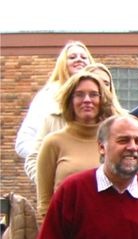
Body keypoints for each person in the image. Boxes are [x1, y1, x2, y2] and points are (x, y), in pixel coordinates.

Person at [35, 69, 116, 217]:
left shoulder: (114, 141)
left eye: (93, 94)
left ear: (102, 100)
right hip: (66, 227)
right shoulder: (53, 143)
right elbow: (45, 204)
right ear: (70, 100)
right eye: (79, 94)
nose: (87, 100)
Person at [29, 62, 126, 182]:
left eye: (105, 84)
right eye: (80, 94)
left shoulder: (121, 123)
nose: (87, 99)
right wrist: (48, 180)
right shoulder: (54, 123)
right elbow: (34, 158)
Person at [16, 40, 94, 181]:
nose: (79, 60)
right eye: (72, 57)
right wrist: (49, 162)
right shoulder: (47, 96)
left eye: (84, 57)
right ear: (63, 63)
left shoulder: (100, 98)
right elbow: (23, 141)